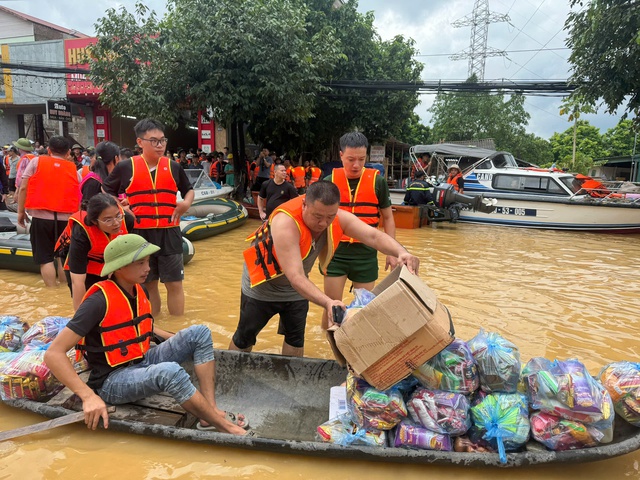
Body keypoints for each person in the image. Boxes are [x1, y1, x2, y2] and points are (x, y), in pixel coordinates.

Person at [44, 234, 251, 436]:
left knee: (199, 333)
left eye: (148, 262)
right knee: (169, 371)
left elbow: (143, 328)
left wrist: (181, 341)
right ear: (120, 267)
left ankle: (210, 413)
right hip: (113, 381)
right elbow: (53, 354)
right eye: (141, 263)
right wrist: (88, 396)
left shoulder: (138, 290)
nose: (148, 268)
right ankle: (227, 428)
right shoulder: (97, 302)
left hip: (141, 359)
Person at [228, 181, 419, 357]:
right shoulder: (285, 223)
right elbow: (295, 276)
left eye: (330, 217)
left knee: (295, 340)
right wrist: (329, 302)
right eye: (317, 216)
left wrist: (401, 252)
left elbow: (373, 237)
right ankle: (232, 377)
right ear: (304, 205)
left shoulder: (337, 218)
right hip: (262, 287)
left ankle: (290, 384)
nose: (323, 223)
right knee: (245, 337)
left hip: (297, 291)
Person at [102, 118, 194, 316]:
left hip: (170, 232)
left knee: (174, 284)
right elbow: (106, 189)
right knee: (149, 284)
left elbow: (189, 190)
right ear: (140, 142)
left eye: (162, 140)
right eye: (154, 140)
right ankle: (152, 329)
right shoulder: (126, 167)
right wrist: (121, 208)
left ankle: (177, 329)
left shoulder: (174, 167)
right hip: (141, 234)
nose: (159, 145)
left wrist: (186, 204)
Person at [323, 131, 397, 329]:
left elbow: (388, 218)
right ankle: (327, 349)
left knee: (364, 312)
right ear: (340, 156)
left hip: (366, 255)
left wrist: (391, 252)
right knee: (331, 309)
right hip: (335, 255)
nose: (356, 165)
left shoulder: (378, 182)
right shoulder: (329, 181)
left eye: (361, 159)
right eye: (350, 159)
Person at [17, 136, 81, 287]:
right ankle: (64, 293)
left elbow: (24, 187)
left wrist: (20, 212)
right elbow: (78, 195)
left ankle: (51, 292)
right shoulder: (74, 169)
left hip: (41, 218)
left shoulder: (36, 162)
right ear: (68, 152)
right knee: (62, 257)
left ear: (49, 150)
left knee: (45, 258)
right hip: (66, 220)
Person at [56, 193, 133, 310]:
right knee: (90, 302)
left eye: (118, 216)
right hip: (83, 259)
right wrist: (80, 321)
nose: (116, 223)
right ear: (94, 221)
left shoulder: (127, 220)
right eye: (108, 220)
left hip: (105, 256)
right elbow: (78, 282)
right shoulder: (81, 233)